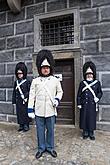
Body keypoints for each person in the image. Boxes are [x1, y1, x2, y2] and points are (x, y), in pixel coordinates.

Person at [28, 49, 63, 159]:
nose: (45, 69)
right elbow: (31, 96)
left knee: (51, 130)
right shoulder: (35, 81)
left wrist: (57, 99)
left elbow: (60, 91)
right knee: (40, 131)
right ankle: (41, 148)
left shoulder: (55, 80)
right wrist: (30, 109)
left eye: (47, 67)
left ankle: (50, 147)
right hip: (38, 110)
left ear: (50, 68)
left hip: (50, 110)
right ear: (40, 69)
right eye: (43, 68)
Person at [77, 61, 103, 140]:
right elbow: (79, 94)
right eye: (88, 74)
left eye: (91, 74)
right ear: (85, 75)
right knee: (84, 118)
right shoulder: (82, 83)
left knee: (91, 118)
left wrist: (97, 98)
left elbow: (100, 92)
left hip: (92, 105)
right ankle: (85, 131)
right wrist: (79, 103)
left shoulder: (97, 83)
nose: (89, 75)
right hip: (84, 104)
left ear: (93, 74)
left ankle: (91, 132)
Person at [12, 62, 31, 132]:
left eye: (21, 73)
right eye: (18, 74)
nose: (19, 75)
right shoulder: (16, 82)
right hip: (18, 101)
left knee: (25, 113)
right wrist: (14, 101)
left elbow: (30, 91)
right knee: (19, 113)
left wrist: (26, 97)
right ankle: (21, 125)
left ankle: (26, 125)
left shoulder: (27, 82)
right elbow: (14, 92)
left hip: (25, 101)